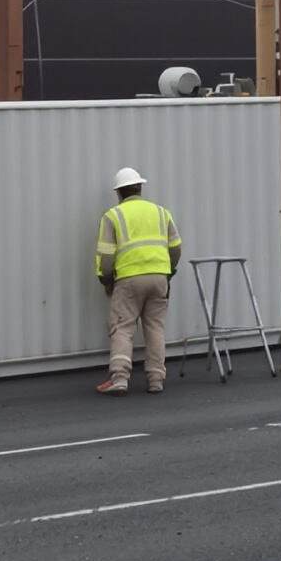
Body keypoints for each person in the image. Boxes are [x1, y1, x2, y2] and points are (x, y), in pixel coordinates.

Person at [94, 166, 182, 396]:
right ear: (140, 188)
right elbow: (176, 247)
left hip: (129, 280)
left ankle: (120, 378)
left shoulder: (113, 216)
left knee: (123, 327)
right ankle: (156, 380)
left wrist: (106, 278)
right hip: (159, 278)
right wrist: (168, 271)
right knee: (155, 327)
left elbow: (105, 255)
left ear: (118, 192)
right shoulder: (161, 212)